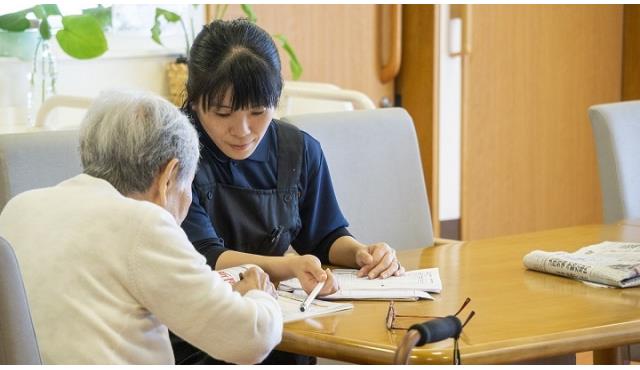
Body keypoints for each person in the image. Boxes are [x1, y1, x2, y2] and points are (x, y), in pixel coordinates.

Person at [174, 19, 405, 364]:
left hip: (278, 326)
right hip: (198, 332)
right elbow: (206, 257)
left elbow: (325, 236)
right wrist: (288, 266)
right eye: (223, 113)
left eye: (258, 111)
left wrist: (361, 253)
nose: (243, 130)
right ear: (194, 102)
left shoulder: (298, 150)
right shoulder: (173, 155)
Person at [0, 90, 282, 364]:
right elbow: (249, 340)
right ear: (169, 177)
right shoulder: (143, 224)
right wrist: (259, 294)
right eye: (189, 185)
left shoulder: (18, 207)